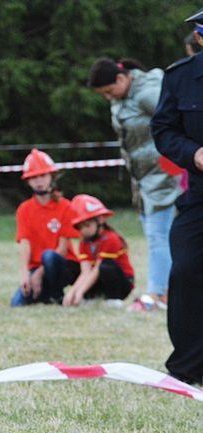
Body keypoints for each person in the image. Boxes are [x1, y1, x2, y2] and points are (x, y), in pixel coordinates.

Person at [87, 57, 182, 311]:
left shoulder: (148, 93)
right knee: (161, 236)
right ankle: (169, 291)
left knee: (158, 236)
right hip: (143, 181)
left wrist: (177, 158)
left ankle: (156, 294)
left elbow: (178, 118)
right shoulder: (122, 98)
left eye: (109, 91)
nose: (108, 98)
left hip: (164, 176)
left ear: (122, 78)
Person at [150, 7, 203, 386]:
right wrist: (193, 153)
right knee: (185, 269)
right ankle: (187, 367)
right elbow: (163, 130)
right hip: (199, 194)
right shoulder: (180, 77)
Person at [11, 149, 80, 306]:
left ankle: (56, 294)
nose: (39, 181)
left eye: (42, 175)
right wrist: (25, 274)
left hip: (63, 265)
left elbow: (62, 249)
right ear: (28, 181)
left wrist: (39, 274)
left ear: (52, 177)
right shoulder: (24, 209)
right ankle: (45, 294)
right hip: (36, 267)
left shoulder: (65, 206)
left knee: (49, 256)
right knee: (17, 304)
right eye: (33, 177)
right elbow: (24, 243)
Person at [62, 195, 134, 307]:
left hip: (121, 283)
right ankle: (92, 297)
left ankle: (114, 299)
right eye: (79, 227)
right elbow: (85, 271)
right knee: (70, 266)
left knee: (106, 266)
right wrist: (72, 293)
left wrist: (80, 292)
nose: (83, 231)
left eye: (86, 225)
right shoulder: (83, 242)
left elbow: (97, 270)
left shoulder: (111, 238)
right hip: (98, 276)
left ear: (100, 220)